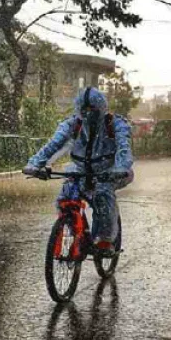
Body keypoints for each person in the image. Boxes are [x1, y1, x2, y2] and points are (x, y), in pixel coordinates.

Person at [24, 87, 134, 254]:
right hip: (80, 169)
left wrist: (120, 168)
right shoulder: (72, 124)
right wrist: (35, 164)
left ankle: (105, 239)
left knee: (102, 193)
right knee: (67, 196)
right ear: (79, 110)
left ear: (102, 108)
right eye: (85, 110)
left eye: (93, 110)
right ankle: (69, 233)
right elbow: (54, 144)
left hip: (109, 171)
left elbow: (123, 149)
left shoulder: (116, 124)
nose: (89, 114)